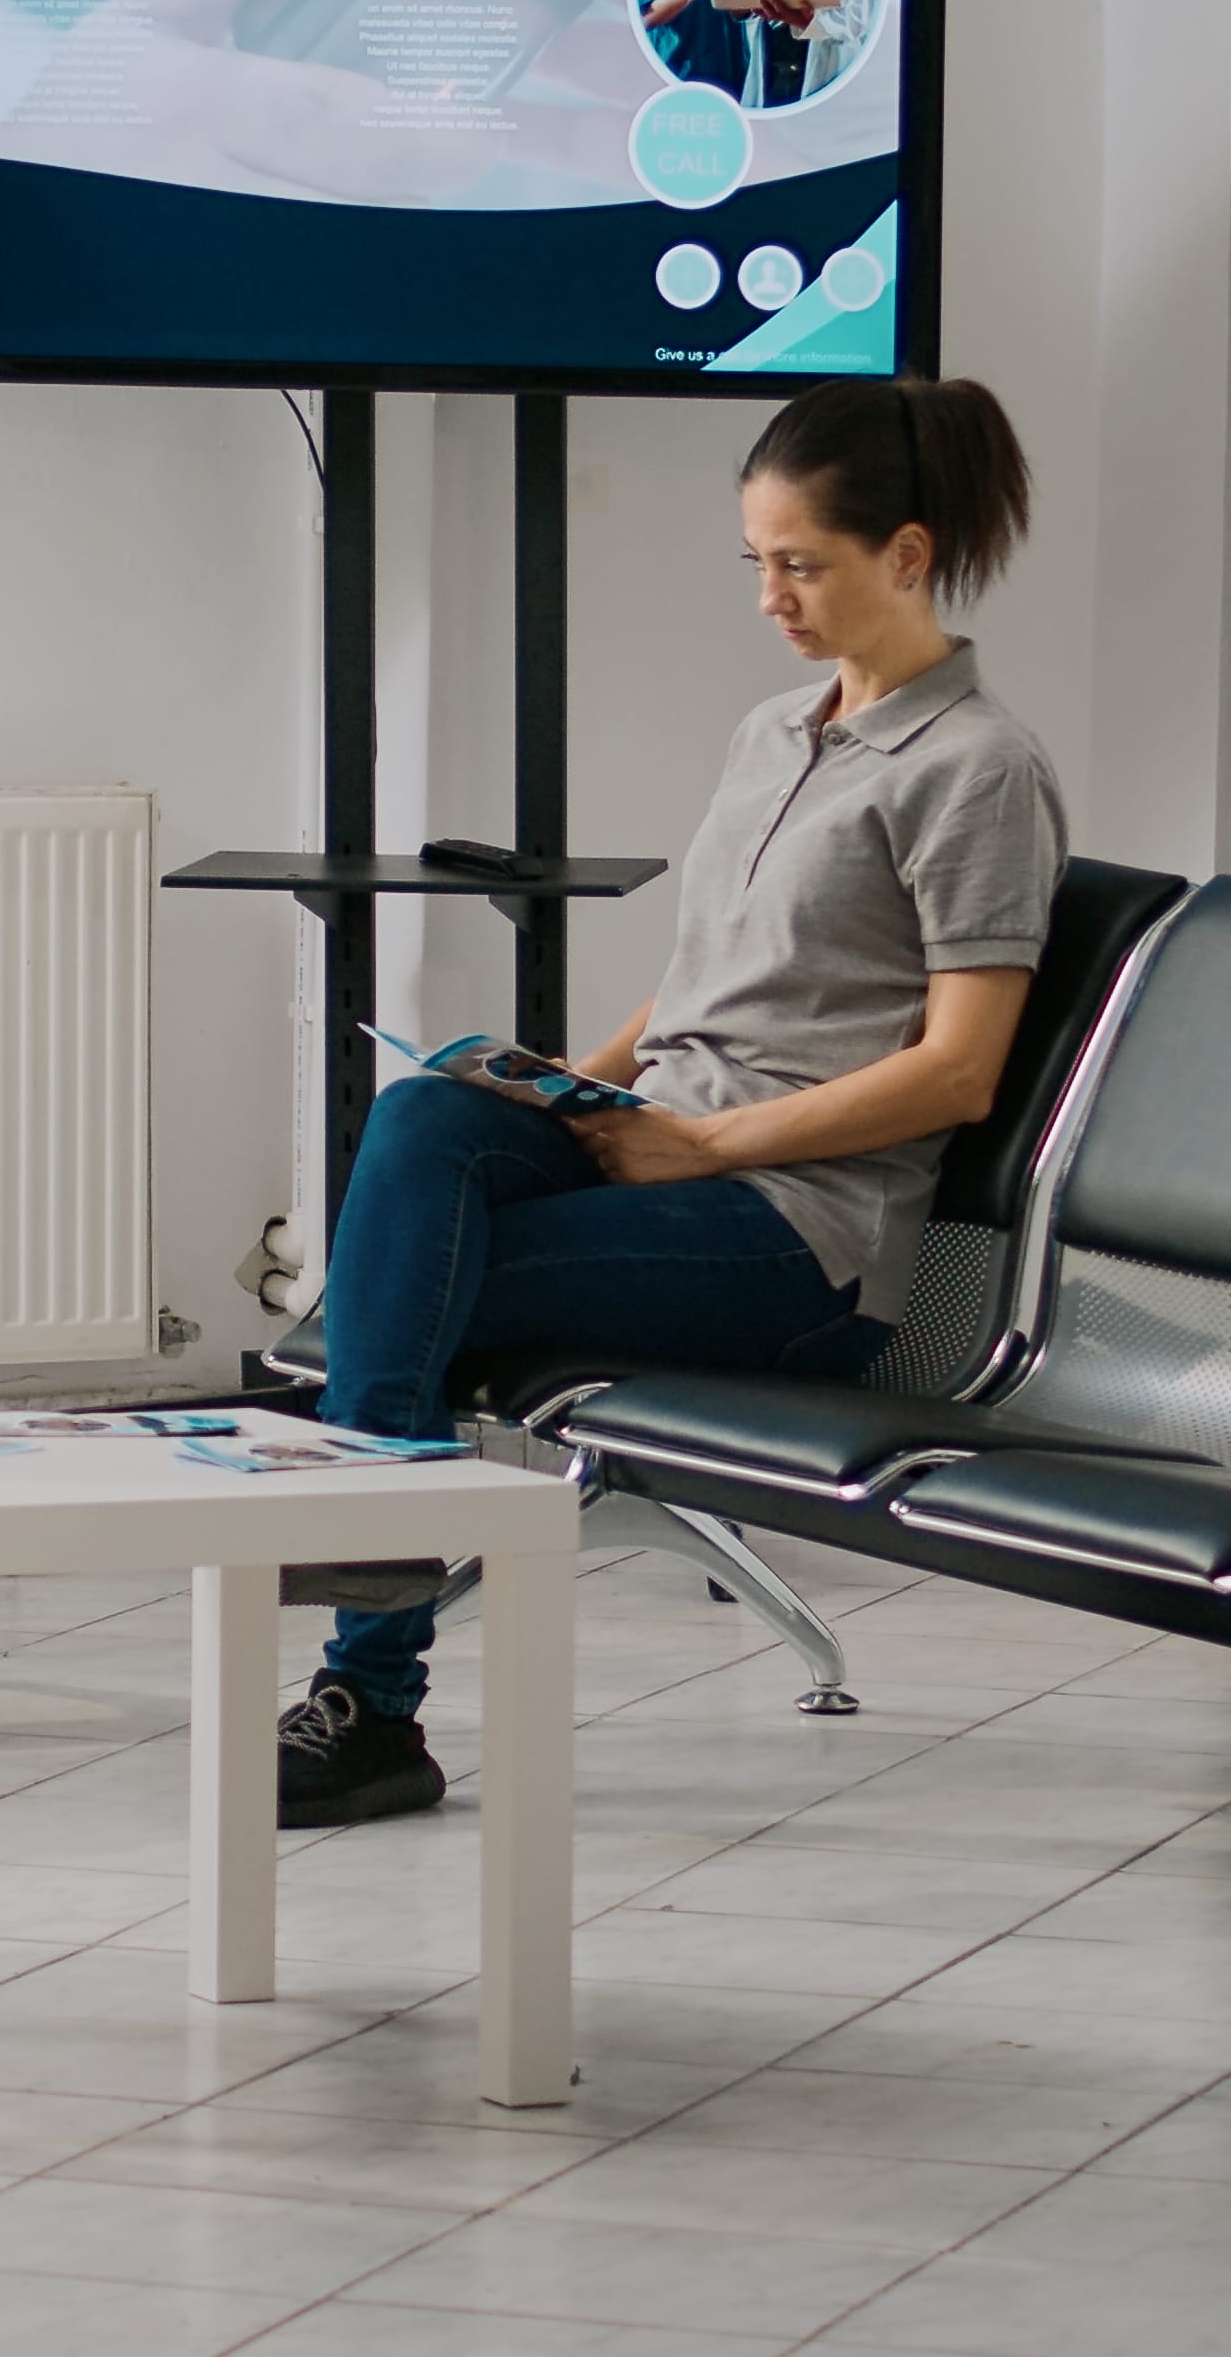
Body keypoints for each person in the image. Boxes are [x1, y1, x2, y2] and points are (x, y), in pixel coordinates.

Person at [276, 375, 1062, 1827]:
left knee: (397, 1287)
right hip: (669, 1155)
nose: (771, 598)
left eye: (801, 565)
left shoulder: (980, 772)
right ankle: (364, 1662)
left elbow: (959, 1070)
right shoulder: (775, 730)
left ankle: (367, 1689)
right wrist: (569, 1092)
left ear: (907, 553)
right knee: (425, 1118)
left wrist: (705, 1143)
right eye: (756, 561)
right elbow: (701, 980)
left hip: (795, 1235)